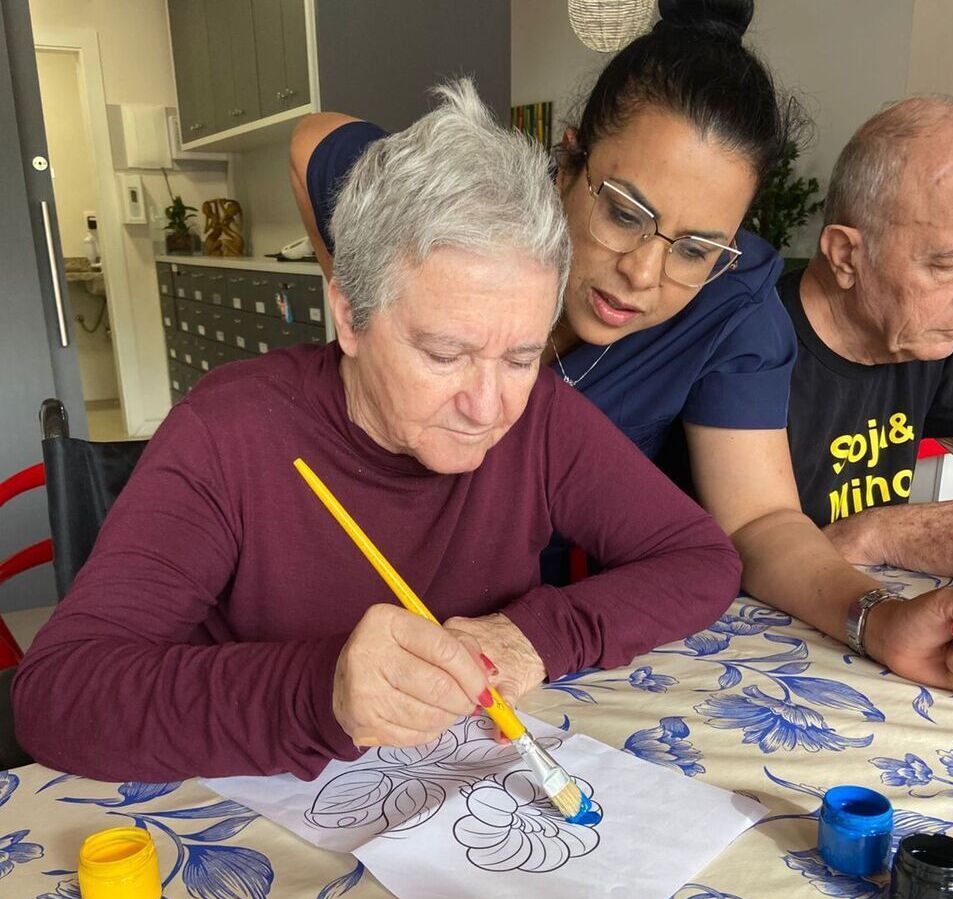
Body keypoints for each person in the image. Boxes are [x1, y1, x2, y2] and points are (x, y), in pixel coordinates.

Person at [11, 81, 741, 781]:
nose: (489, 406)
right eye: (444, 354)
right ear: (351, 316)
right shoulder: (228, 432)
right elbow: (57, 697)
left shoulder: (539, 416)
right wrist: (320, 690)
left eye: (522, 355)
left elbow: (701, 560)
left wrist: (532, 638)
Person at [290, 0, 953, 700]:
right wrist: (374, 322)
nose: (644, 274)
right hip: (357, 579)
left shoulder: (734, 302)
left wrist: (879, 620)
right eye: (624, 213)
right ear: (568, 162)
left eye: (696, 247)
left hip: (529, 635)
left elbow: (759, 521)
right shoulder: (466, 213)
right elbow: (312, 142)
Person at [778, 96, 953, 580]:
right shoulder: (750, 344)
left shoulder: (931, 337)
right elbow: (726, 564)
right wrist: (879, 531)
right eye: (947, 263)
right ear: (844, 255)